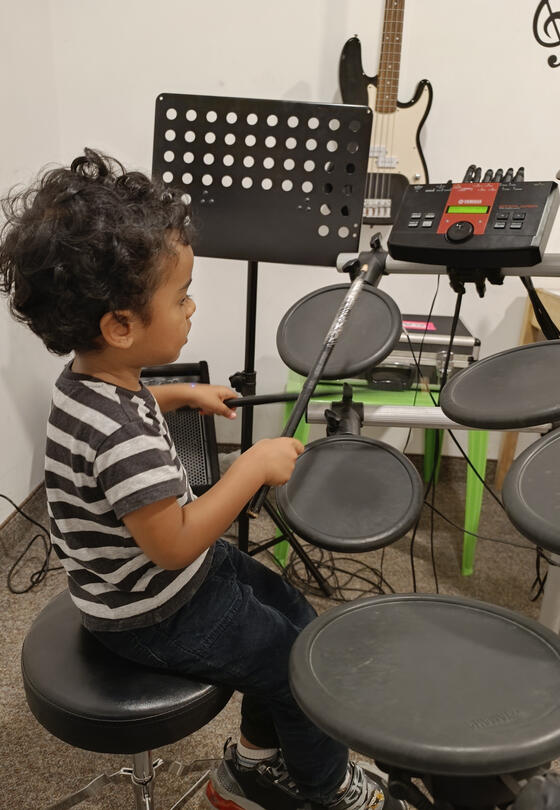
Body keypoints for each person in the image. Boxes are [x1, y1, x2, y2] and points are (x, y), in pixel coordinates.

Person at [0, 148, 406, 810]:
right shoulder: (121, 436)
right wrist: (249, 468)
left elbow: (128, 423)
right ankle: (325, 786)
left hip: (158, 583)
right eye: (182, 297)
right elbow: (175, 543)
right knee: (293, 664)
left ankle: (254, 762)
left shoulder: (90, 381)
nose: (193, 308)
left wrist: (180, 397)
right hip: (152, 609)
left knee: (295, 615)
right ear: (120, 326)